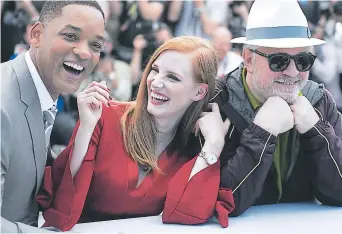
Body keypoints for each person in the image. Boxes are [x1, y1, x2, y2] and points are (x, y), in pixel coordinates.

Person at [36, 36, 235, 231]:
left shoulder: (194, 147)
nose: (155, 82)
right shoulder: (103, 115)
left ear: (199, 92)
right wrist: (86, 128)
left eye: (172, 77)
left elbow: (186, 216)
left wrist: (214, 144)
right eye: (154, 70)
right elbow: (61, 205)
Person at [213, 0, 342, 216]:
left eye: (303, 60)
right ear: (248, 59)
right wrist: (261, 133)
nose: (293, 72)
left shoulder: (319, 101)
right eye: (279, 61)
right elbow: (222, 202)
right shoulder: (217, 101)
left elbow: (341, 192)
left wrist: (316, 131)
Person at [1, 1, 106, 232]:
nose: (84, 52)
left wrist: (86, 128)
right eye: (70, 36)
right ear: (36, 34)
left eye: (96, 45)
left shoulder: (41, 93)